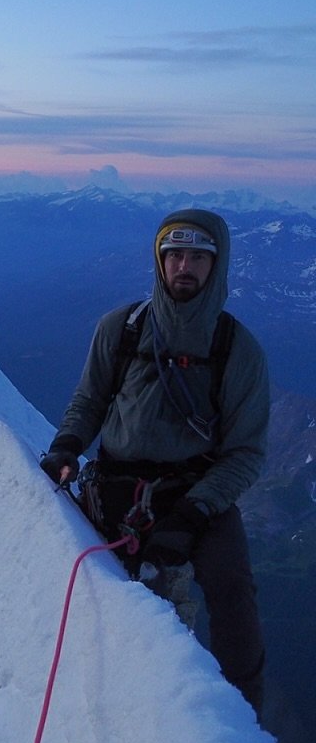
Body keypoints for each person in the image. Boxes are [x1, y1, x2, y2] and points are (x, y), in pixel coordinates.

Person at [40, 208, 268, 714]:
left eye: (197, 257)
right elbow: (90, 401)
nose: (184, 266)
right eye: (174, 255)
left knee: (232, 590)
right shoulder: (120, 329)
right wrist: (67, 447)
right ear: (160, 262)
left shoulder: (237, 350)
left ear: (217, 264)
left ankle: (245, 716)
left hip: (195, 494)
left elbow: (245, 452)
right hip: (117, 487)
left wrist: (196, 510)